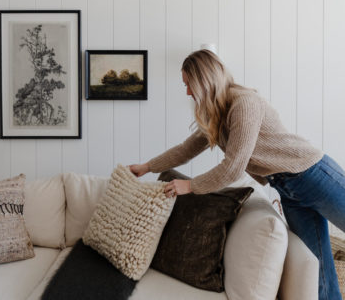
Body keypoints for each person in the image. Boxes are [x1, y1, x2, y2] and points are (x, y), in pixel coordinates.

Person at [129, 49, 345, 300]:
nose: (187, 92)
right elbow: (186, 150)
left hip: (313, 175)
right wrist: (147, 167)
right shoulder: (218, 114)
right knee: (318, 268)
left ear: (204, 81)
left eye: (189, 85)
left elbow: (233, 167)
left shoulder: (245, 104)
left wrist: (190, 186)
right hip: (288, 190)